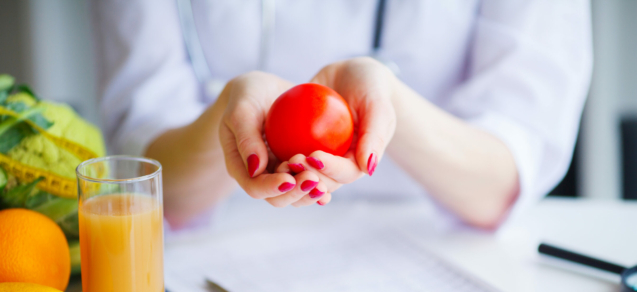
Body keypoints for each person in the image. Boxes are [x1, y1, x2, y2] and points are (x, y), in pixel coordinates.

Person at [91, 0, 592, 229]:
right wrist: (228, 111)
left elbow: (504, 179)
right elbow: (151, 181)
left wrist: (387, 101)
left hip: (434, 247)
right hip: (217, 257)